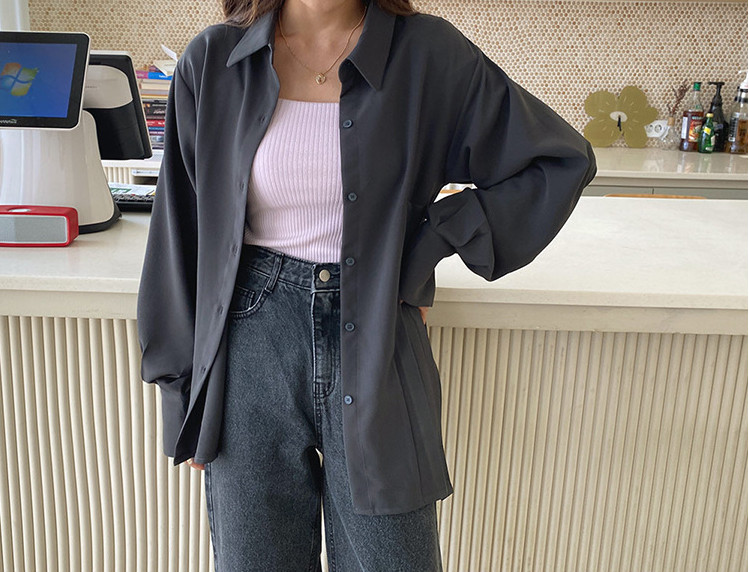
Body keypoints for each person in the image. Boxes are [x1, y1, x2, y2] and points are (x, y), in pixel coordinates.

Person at [136, 0, 597, 569]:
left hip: (379, 339)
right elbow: (179, 233)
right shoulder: (213, 59)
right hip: (247, 346)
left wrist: (427, 245)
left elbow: (557, 161)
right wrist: (181, 395)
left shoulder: (428, 54)